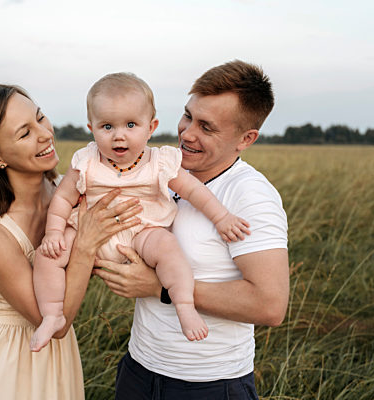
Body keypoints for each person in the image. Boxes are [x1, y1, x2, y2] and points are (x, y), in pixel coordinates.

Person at [94, 60, 290, 399]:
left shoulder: (250, 196)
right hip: (139, 369)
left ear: (246, 139)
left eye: (206, 127)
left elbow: (269, 305)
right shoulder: (160, 170)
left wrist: (161, 288)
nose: (187, 133)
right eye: (188, 116)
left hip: (208, 385)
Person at [0, 84, 142, 400]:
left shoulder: (65, 194)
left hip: (57, 355)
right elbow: (56, 323)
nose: (45, 134)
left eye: (40, 118)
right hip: (6, 361)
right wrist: (86, 245)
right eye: (25, 133)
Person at [30, 72, 251, 352]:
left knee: (168, 248)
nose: (118, 135)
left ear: (151, 127)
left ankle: (184, 304)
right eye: (107, 126)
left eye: (131, 125)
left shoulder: (160, 162)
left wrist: (222, 217)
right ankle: (52, 314)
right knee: (47, 256)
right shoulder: (86, 162)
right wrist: (53, 233)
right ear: (92, 128)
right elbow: (62, 199)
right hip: (86, 232)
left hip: (142, 233)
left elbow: (194, 191)